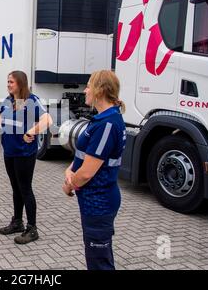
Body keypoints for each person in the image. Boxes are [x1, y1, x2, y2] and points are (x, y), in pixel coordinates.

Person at [62, 70, 126, 270]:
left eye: (89, 85)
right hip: (94, 201)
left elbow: (88, 172)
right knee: (98, 258)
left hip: (99, 203)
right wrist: (70, 169)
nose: (85, 90)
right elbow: (85, 155)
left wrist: (70, 184)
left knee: (99, 263)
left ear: (100, 90)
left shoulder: (107, 124)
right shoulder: (102, 119)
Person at [0, 70, 53, 244]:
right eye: (7, 82)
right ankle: (17, 222)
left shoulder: (31, 100)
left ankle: (32, 228)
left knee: (25, 188)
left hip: (24, 153)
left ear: (20, 83)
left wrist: (32, 131)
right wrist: (3, 126)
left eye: (11, 82)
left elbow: (47, 120)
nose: (8, 85)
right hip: (9, 151)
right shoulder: (8, 100)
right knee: (15, 188)